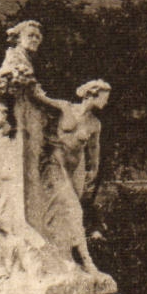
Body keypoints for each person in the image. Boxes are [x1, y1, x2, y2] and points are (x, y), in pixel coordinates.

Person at [36, 80, 109, 272]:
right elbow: (39, 99)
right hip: (55, 165)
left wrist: (93, 170)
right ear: (92, 95)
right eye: (104, 97)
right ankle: (87, 261)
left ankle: (59, 254)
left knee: (63, 211)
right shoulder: (65, 107)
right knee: (74, 209)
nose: (106, 102)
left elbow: (94, 150)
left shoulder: (95, 123)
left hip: (74, 169)